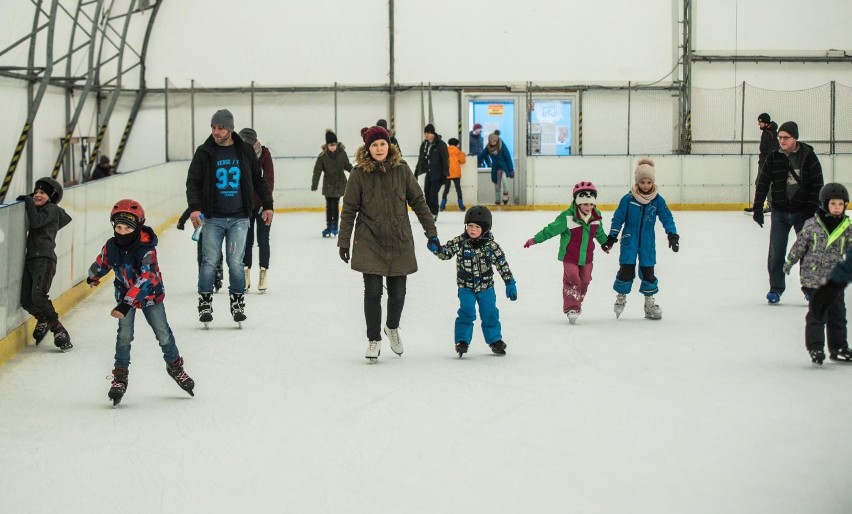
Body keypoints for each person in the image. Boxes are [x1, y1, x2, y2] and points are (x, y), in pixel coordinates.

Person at [337, 125, 437, 362]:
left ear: (389, 145)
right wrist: (344, 242)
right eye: (374, 145)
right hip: (369, 238)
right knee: (372, 292)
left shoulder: (402, 170)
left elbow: (419, 202)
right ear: (367, 148)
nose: (379, 148)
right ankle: (374, 339)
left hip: (398, 238)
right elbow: (349, 210)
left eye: (382, 143)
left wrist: (430, 232)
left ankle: (392, 327)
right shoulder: (358, 174)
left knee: (398, 294)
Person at [86, 199, 195, 406]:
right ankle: (120, 376)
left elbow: (148, 278)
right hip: (124, 296)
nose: (122, 231)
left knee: (163, 333)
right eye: (118, 227)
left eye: (128, 227)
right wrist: (93, 275)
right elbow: (103, 261)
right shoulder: (112, 246)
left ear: (137, 227)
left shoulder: (146, 250)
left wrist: (126, 303)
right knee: (124, 336)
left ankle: (175, 367)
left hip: (150, 297)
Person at [186, 109, 274, 325]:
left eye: (221, 128)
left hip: (239, 218)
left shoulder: (244, 151)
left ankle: (237, 301)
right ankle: (205, 301)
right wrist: (195, 208)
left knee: (236, 262)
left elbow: (259, 180)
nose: (216, 132)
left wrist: (268, 205)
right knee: (210, 262)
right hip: (213, 218)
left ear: (230, 128)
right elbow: (193, 182)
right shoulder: (204, 151)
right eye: (213, 127)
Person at [428, 205, 516, 357]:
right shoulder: (460, 242)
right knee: (466, 313)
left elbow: (502, 264)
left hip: (486, 288)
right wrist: (437, 249)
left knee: (490, 313)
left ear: (486, 228)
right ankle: (462, 341)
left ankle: (495, 340)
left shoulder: (491, 246)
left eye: (476, 226)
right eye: (469, 226)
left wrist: (510, 282)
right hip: (466, 287)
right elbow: (446, 253)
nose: (472, 229)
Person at [752, 121, 824, 304]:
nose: (782, 141)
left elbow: (818, 185)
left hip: (803, 213)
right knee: (776, 252)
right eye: (780, 137)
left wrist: (811, 210)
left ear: (795, 138)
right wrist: (757, 208)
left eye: (786, 138)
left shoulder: (808, 157)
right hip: (780, 213)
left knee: (807, 251)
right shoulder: (773, 157)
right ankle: (776, 289)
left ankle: (809, 289)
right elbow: (763, 183)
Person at [601, 158, 679, 320]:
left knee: (648, 271)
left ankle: (649, 303)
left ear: (653, 182)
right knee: (626, 270)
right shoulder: (628, 199)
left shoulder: (657, 200)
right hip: (630, 240)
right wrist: (612, 236)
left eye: (648, 182)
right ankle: (621, 296)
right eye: (642, 182)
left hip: (647, 242)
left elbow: (667, 217)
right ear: (637, 182)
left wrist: (672, 234)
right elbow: (618, 219)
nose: (645, 185)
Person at [784, 183, 852, 365]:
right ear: (824, 204)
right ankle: (816, 347)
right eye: (833, 204)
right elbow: (799, 246)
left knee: (838, 314)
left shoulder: (847, 227)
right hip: (813, 279)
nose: (837, 208)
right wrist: (789, 262)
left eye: (840, 204)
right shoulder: (812, 225)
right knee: (817, 314)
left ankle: (839, 347)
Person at [523, 181, 609, 324]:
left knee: (585, 280)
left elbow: (599, 233)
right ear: (577, 202)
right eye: (584, 204)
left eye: (591, 204)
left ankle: (578, 299)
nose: (588, 207)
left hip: (587, 257)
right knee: (573, 279)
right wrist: (535, 239)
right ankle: (572, 308)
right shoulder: (567, 217)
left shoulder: (596, 215)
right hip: (570, 257)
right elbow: (551, 229)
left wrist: (605, 244)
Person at [16, 177, 73, 351]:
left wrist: (27, 201)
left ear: (52, 196)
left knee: (39, 295)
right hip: (31, 259)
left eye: (42, 192)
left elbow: (35, 222)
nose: (37, 195)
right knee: (26, 300)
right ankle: (43, 318)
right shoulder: (43, 210)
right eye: (36, 192)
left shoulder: (52, 209)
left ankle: (58, 328)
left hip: (45, 259)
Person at [238, 127, 275, 293]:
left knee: (263, 239)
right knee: (247, 241)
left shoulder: (265, 156)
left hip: (262, 206)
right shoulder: (239, 155)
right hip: (245, 206)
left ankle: (263, 272)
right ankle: (245, 274)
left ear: (255, 143)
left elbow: (269, 181)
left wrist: (265, 205)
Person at [312, 129, 352, 237]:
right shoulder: (322, 156)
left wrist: (355, 172)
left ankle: (335, 225)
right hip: (328, 184)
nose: (332, 147)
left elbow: (347, 165)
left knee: (335, 204)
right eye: (330, 145)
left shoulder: (342, 154)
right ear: (327, 145)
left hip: (339, 183)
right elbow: (317, 170)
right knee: (329, 206)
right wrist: (314, 184)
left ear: (337, 144)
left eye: (334, 145)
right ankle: (329, 225)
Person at [177, 207, 223, 292]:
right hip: (203, 229)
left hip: (215, 227)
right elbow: (192, 208)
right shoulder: (201, 198)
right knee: (202, 254)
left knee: (215, 251)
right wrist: (182, 220)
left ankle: (217, 273)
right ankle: (204, 277)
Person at [744, 113, 779, 214]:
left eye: (760, 122)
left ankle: (770, 205)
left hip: (767, 164)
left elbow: (772, 151)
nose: (759, 124)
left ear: (766, 122)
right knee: (759, 183)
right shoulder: (766, 132)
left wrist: (767, 164)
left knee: (764, 183)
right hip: (763, 163)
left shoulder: (771, 134)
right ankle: (759, 206)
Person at [414, 123, 449, 219]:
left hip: (438, 174)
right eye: (425, 133)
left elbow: (445, 160)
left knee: (433, 193)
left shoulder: (441, 145)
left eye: (428, 133)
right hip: (429, 173)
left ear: (433, 133)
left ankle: (434, 212)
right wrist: (416, 172)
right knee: (426, 192)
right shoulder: (424, 144)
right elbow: (421, 159)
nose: (426, 135)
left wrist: (444, 174)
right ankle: (429, 212)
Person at [479, 132, 514, 205]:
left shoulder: (502, 146)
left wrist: (511, 169)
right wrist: (474, 158)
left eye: (494, 141)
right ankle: (497, 200)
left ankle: (506, 195)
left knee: (504, 181)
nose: (493, 143)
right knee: (497, 184)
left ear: (497, 140)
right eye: (491, 142)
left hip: (504, 167)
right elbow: (482, 155)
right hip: (496, 167)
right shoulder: (488, 147)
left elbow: (508, 157)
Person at [440, 137, 466, 212]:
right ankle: (461, 205)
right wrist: (463, 154)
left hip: (447, 173)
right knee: (458, 189)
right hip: (456, 173)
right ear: (457, 144)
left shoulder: (446, 150)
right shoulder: (458, 151)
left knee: (446, 189)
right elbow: (462, 161)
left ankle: (442, 205)